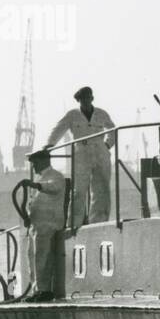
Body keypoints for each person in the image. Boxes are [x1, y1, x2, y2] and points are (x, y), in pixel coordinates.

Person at [44, 86, 115, 226]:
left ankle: (98, 222)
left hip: (100, 152)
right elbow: (59, 128)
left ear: (92, 98)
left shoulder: (101, 114)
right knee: (78, 191)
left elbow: (112, 130)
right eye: (83, 99)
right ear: (79, 101)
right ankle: (74, 224)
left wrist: (107, 145)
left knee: (102, 190)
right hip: (81, 153)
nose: (86, 101)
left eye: (88, 98)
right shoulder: (72, 115)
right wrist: (49, 145)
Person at [21, 149, 66, 302]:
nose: (33, 167)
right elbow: (33, 202)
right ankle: (36, 290)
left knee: (42, 257)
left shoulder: (56, 177)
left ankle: (44, 290)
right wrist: (27, 216)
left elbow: (53, 188)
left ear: (43, 161)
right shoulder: (40, 178)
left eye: (35, 163)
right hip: (36, 225)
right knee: (32, 257)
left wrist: (35, 185)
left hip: (48, 224)